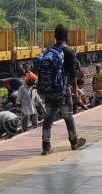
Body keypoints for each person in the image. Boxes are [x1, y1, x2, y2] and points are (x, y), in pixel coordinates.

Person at [34, 23, 87, 155]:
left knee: (48, 118)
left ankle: (46, 146)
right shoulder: (68, 51)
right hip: (62, 92)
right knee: (68, 117)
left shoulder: (48, 50)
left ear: (54, 36)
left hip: (49, 91)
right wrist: (75, 92)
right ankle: (74, 142)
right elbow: (73, 74)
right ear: (66, 36)